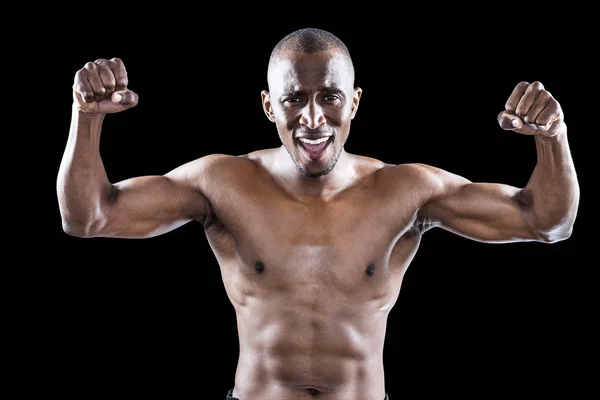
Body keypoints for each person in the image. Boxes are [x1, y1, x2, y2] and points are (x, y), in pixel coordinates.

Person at [56, 27, 580, 400]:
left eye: (329, 96)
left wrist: (553, 139)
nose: (312, 118)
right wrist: (86, 118)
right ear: (269, 106)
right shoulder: (223, 183)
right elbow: (91, 217)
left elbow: (546, 222)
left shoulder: (405, 190)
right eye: (293, 99)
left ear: (353, 103)